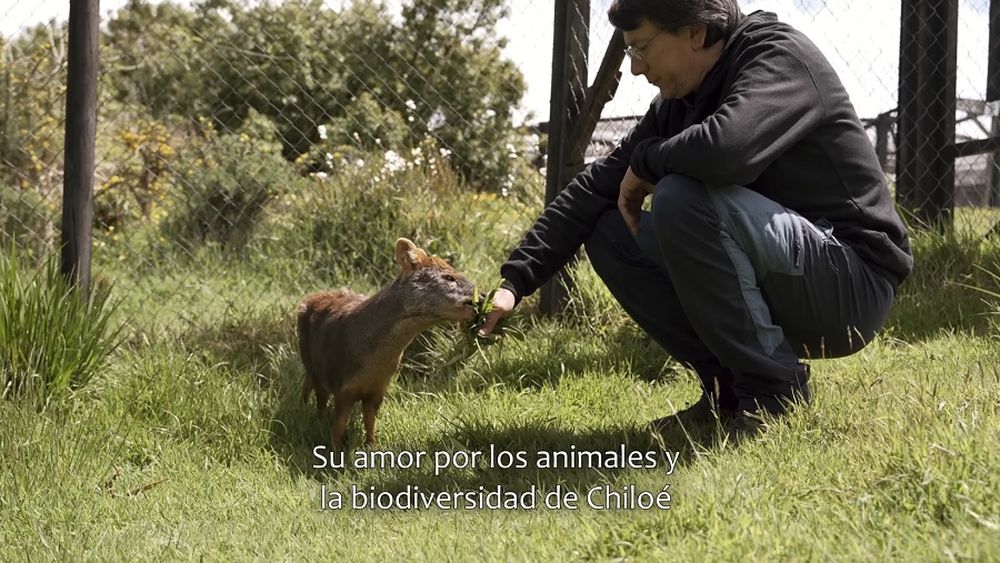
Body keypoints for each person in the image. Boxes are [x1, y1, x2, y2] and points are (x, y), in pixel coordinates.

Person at [478, 0, 912, 442]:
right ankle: (729, 394)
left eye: (641, 49)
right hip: (790, 268)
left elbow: (727, 151)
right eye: (629, 53)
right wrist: (514, 284)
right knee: (609, 231)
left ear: (696, 34)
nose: (636, 69)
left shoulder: (777, 56)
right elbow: (595, 187)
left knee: (681, 196)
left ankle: (773, 395)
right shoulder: (681, 101)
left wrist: (646, 163)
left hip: (850, 283)